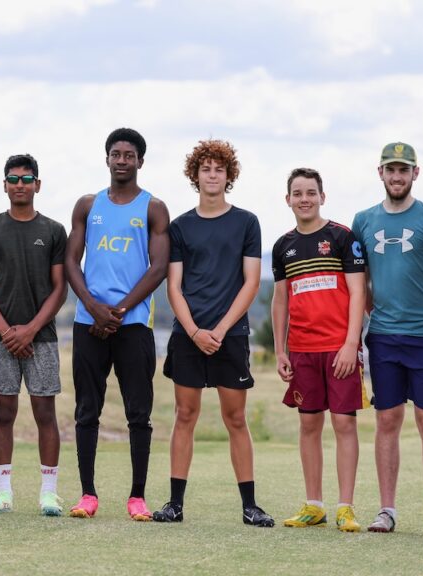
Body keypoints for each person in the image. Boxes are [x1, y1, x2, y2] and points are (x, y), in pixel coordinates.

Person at [152, 140, 273, 527]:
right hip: (189, 335)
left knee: (235, 418)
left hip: (231, 336)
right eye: (205, 168)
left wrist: (218, 331)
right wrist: (194, 331)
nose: (212, 174)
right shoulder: (180, 227)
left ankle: (250, 507)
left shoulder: (247, 222)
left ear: (229, 176)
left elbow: (252, 282)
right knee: (184, 414)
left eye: (219, 169)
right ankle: (175, 505)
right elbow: (174, 287)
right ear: (195, 175)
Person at [65, 127, 169, 520]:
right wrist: (93, 306)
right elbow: (72, 261)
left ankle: (137, 496)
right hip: (87, 323)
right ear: (106, 158)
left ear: (140, 161)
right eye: (116, 153)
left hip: (133, 325)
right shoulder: (88, 205)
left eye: (129, 154)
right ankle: (87, 494)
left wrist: (119, 311)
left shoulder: (153, 207)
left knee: (138, 413)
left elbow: (157, 268)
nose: (122, 160)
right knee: (86, 410)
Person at [352, 142, 423, 535]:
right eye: (390, 170)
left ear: (415, 173)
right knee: (387, 419)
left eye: (404, 170)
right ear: (380, 173)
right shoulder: (363, 219)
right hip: (384, 337)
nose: (397, 176)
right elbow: (360, 283)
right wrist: (371, 316)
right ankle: (386, 510)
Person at [271, 167, 366, 532]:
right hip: (303, 350)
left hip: (339, 347)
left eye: (311, 192)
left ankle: (345, 506)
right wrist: (281, 351)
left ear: (322, 197)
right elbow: (280, 301)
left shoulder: (342, 237)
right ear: (289, 200)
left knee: (343, 423)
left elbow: (358, 292)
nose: (305, 199)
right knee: (309, 423)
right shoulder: (283, 246)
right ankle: (314, 505)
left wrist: (350, 344)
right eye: (298, 193)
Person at [0, 154, 68, 516]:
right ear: (4, 185)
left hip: (40, 338)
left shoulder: (53, 230)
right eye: (13, 179)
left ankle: (48, 492)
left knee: (45, 412)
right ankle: (3, 493)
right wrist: (5, 330)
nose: (19, 185)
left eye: (26, 179)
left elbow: (60, 289)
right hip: (1, 338)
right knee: (4, 413)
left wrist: (29, 330)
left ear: (37, 185)